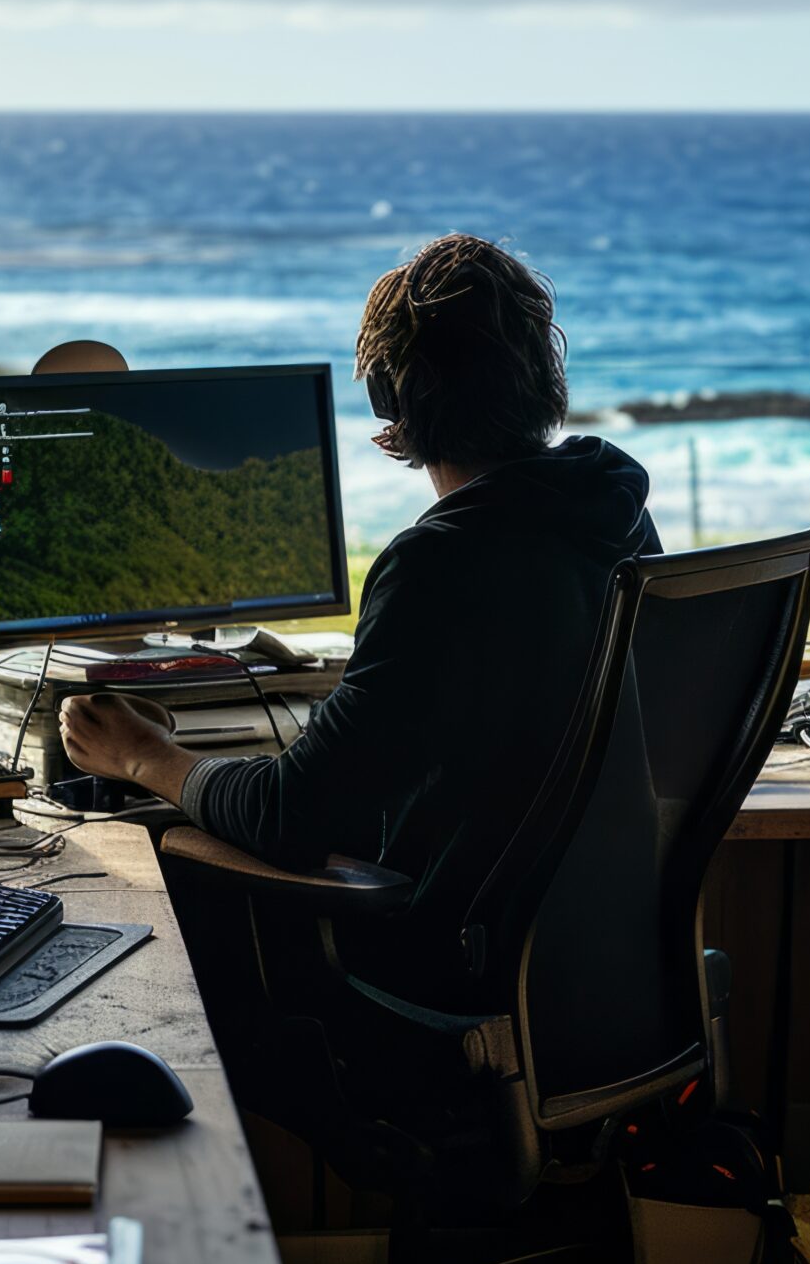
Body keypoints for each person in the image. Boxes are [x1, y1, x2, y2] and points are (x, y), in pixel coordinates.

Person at [57, 232, 660, 989]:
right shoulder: (618, 513)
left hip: (456, 988)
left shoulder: (438, 563)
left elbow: (290, 817)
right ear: (544, 376)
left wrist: (144, 757)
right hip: (612, 980)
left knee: (176, 886)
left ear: (392, 397)